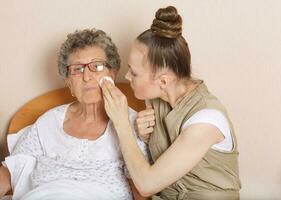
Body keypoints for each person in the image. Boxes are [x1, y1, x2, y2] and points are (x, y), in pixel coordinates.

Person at [101, 6, 241, 200]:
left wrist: (121, 123)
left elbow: (146, 185)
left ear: (163, 81)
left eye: (134, 72)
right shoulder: (156, 99)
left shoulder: (207, 120)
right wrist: (147, 138)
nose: (127, 76)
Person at [0, 29, 148, 200]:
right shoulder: (48, 123)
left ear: (112, 74)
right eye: (77, 69)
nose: (87, 77)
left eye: (97, 66)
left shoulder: (134, 124)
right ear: (68, 82)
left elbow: (142, 192)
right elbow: (8, 175)